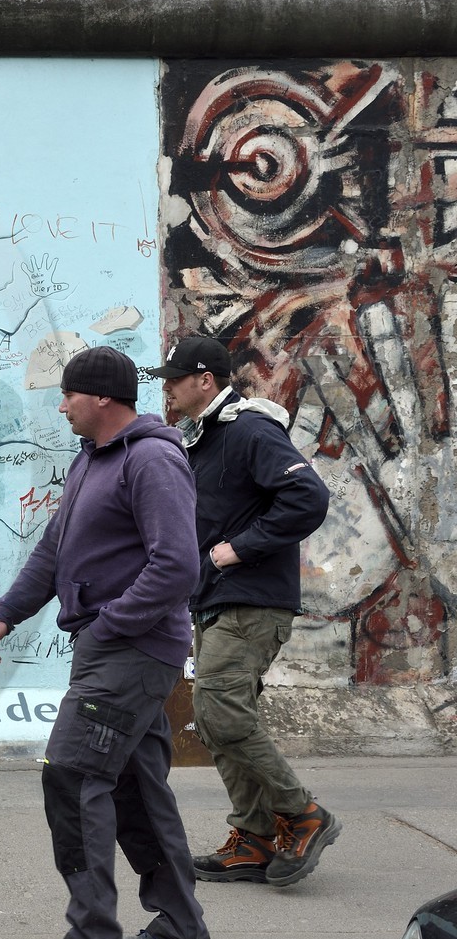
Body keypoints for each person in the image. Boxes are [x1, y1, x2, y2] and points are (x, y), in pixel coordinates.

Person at [0, 345, 213, 939]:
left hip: (130, 650)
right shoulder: (91, 462)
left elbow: (177, 566)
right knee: (135, 787)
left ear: (102, 397)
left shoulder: (153, 459)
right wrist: (7, 612)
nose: (61, 406)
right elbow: (54, 550)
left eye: (69, 395)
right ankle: (181, 929)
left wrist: (110, 624)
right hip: (113, 649)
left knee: (74, 776)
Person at [145, 335, 338, 888]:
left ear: (206, 379)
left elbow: (309, 498)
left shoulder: (250, 429)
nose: (168, 389)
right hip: (216, 600)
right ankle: (253, 837)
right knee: (215, 719)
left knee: (222, 713)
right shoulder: (203, 438)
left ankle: (303, 814)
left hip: (251, 600)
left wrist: (239, 547)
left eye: (175, 379)